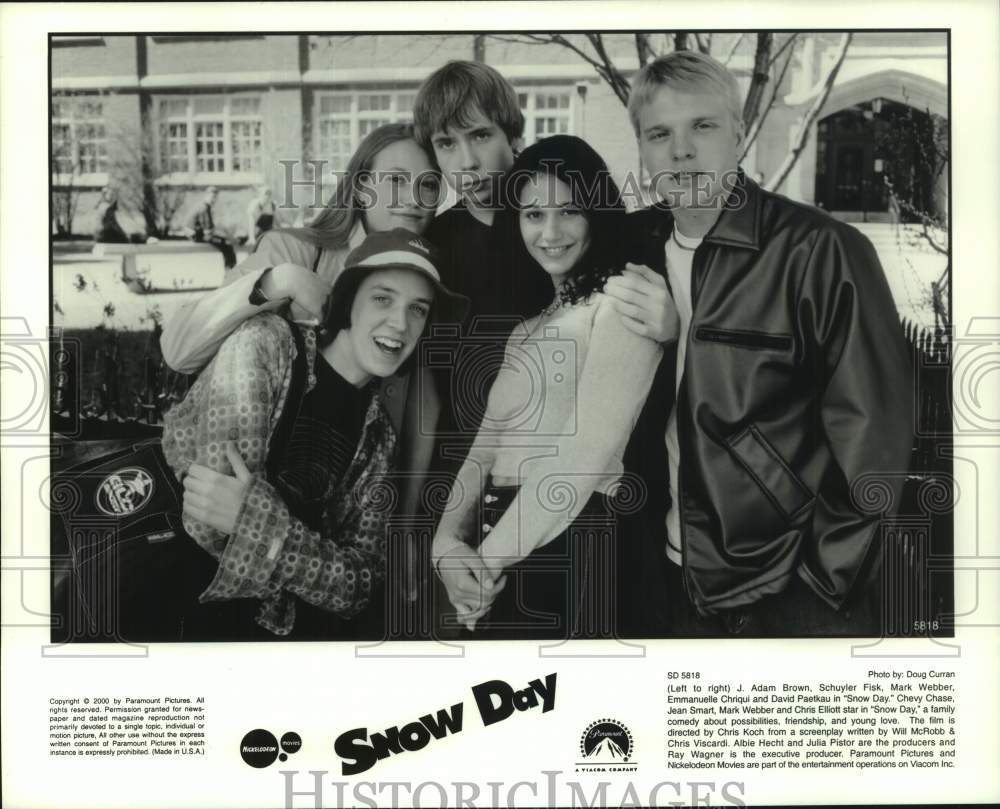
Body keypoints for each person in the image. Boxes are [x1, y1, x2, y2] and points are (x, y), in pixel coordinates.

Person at [622, 50, 914, 636]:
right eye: (660, 134)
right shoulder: (631, 250)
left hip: (786, 590)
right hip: (667, 577)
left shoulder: (819, 252)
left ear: (739, 131)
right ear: (644, 150)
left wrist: (821, 581)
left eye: (701, 126)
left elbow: (874, 445)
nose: (681, 151)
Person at [161, 229, 467, 640]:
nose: (400, 323)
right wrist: (313, 559)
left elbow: (359, 585)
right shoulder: (265, 346)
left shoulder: (378, 439)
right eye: (382, 298)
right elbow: (208, 525)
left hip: (277, 641)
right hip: (184, 615)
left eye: (418, 309)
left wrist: (255, 522)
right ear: (347, 302)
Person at [431, 136, 663, 639]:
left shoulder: (622, 303)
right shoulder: (526, 328)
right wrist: (446, 544)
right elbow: (483, 448)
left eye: (569, 212)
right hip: (502, 544)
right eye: (534, 215)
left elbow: (584, 456)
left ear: (597, 214)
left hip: (575, 541)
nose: (550, 232)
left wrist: (483, 566)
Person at [184, 185, 237, 269]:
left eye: (215, 198)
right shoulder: (203, 208)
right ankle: (230, 270)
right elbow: (208, 231)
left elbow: (210, 228)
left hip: (198, 233)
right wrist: (227, 237)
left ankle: (230, 268)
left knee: (226, 242)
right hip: (195, 235)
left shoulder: (205, 206)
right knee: (227, 244)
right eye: (212, 197)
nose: (214, 200)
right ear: (206, 195)